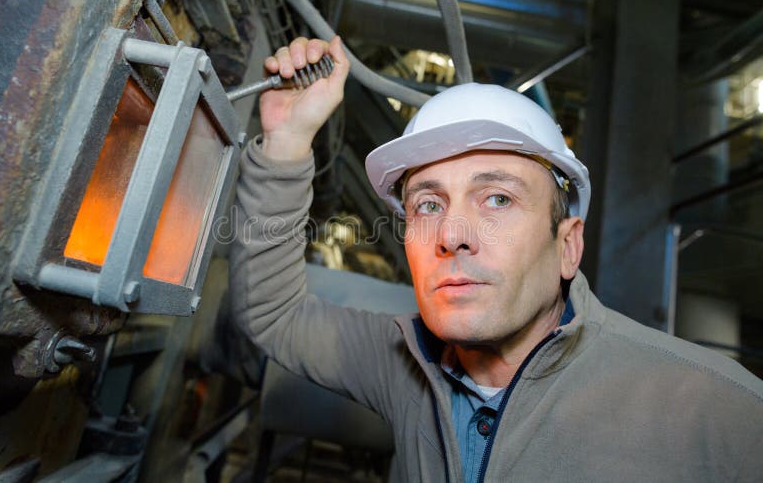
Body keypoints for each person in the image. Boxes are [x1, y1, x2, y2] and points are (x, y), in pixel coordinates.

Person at [228, 36, 763, 482]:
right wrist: (287, 141)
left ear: (567, 246)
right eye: (429, 204)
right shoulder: (407, 366)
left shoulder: (718, 411)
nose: (452, 234)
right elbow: (274, 313)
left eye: (498, 199)